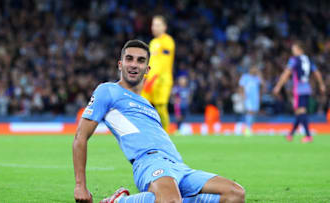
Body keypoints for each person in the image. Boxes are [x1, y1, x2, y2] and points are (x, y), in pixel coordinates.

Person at [73, 40, 245, 203]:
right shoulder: (108, 90)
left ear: (147, 69)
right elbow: (80, 137)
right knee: (171, 200)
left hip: (179, 166)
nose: (134, 64)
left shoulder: (149, 106)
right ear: (120, 64)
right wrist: (80, 185)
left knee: (235, 195)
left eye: (140, 61)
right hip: (149, 162)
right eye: (129, 59)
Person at [273, 41, 326, 143]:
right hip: (307, 87)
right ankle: (291, 134)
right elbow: (317, 73)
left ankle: (308, 136)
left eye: (294, 49)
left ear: (300, 49)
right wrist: (321, 84)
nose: (293, 51)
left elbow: (286, 73)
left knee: (301, 112)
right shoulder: (308, 59)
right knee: (298, 112)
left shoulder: (294, 60)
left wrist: (278, 86)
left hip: (299, 88)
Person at [141, 15, 175, 133]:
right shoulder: (153, 42)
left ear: (164, 27)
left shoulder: (168, 42)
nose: (154, 28)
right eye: (153, 25)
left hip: (162, 79)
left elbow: (164, 62)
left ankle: (166, 132)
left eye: (157, 25)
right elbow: (151, 61)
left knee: (160, 107)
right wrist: (145, 77)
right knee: (142, 104)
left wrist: (154, 77)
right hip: (150, 79)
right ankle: (145, 131)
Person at [239, 66, 263, 136]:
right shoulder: (245, 77)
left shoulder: (257, 78)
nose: (255, 70)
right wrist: (242, 94)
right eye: (254, 68)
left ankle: (249, 127)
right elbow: (241, 86)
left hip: (256, 98)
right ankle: (247, 129)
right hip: (248, 97)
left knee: (254, 113)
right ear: (250, 69)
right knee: (250, 111)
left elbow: (262, 84)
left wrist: (259, 74)